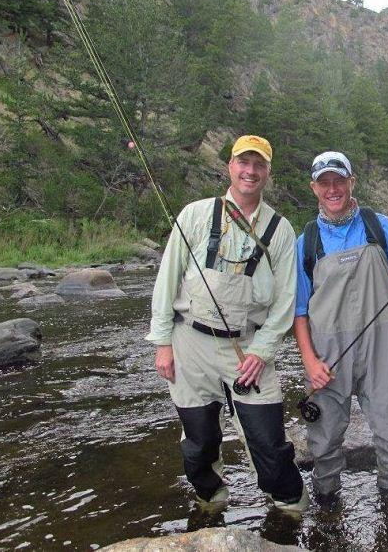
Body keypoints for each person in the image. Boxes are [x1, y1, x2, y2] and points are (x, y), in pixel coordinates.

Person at [146, 135, 308, 514]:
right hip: (190, 342)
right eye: (243, 162)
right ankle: (210, 503)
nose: (250, 171)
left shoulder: (281, 230)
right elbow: (166, 280)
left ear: (267, 172)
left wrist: (262, 351)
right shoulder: (194, 215)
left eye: (258, 164)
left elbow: (286, 302)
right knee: (199, 444)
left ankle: (291, 508)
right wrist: (163, 343)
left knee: (270, 446)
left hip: (250, 349)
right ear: (230, 166)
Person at [293, 151, 388, 500]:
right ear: (314, 188)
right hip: (327, 360)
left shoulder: (380, 227)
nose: (332, 189)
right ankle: (328, 507)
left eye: (339, 180)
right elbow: (299, 312)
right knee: (324, 442)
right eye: (324, 183)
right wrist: (309, 361)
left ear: (351, 182)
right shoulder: (305, 242)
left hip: (383, 353)